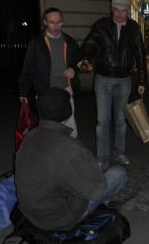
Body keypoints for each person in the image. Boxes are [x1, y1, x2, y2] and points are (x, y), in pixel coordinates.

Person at [15, 87, 128, 231]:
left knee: (69, 177)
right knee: (118, 173)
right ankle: (102, 204)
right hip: (58, 219)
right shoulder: (71, 149)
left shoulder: (30, 136)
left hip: (29, 211)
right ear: (67, 113)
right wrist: (92, 167)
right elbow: (96, 190)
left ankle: (106, 202)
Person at [79, 0, 147, 170]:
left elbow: (140, 54)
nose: (119, 14)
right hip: (103, 79)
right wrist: (86, 58)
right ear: (112, 9)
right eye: (116, 10)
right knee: (102, 121)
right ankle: (102, 157)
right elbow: (89, 44)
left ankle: (119, 152)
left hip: (124, 79)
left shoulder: (133, 28)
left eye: (123, 11)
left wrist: (142, 80)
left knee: (120, 119)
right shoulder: (102, 26)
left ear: (127, 11)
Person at [18, 7, 80, 138]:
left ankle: (69, 154)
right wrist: (23, 92)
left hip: (66, 90)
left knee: (70, 129)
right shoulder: (36, 43)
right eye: (52, 22)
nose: (56, 25)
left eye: (59, 22)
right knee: (48, 131)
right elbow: (28, 68)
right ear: (45, 23)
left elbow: (79, 61)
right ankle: (50, 156)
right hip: (45, 92)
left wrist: (74, 69)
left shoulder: (69, 41)